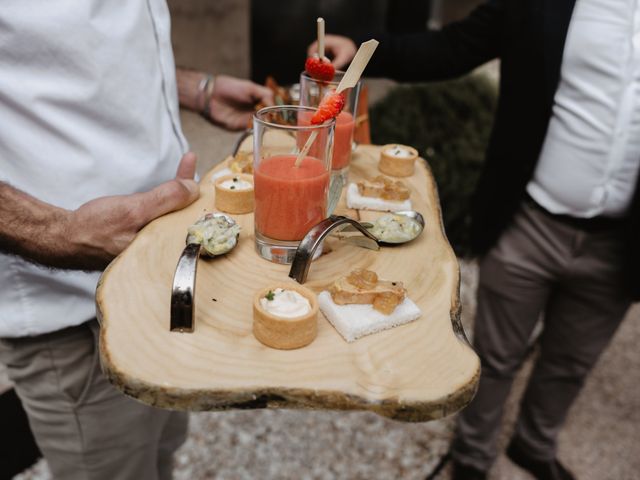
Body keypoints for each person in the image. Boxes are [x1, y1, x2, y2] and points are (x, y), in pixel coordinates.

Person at [311, 1, 640, 479]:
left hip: (622, 242)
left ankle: (535, 444)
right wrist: (364, 54)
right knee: (496, 355)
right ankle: (471, 457)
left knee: (571, 361)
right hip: (530, 221)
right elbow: (451, 47)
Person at [0, 2, 272, 479]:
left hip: (161, 277)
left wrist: (192, 87)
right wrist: (59, 232)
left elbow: (83, 44)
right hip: (74, 314)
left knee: (161, 457)